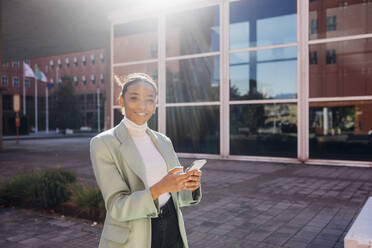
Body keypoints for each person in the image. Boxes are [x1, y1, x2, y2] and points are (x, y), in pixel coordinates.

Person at [90, 73, 202, 248]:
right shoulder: (103, 143)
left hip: (172, 225)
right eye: (134, 98)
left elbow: (177, 197)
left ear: (155, 105)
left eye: (149, 100)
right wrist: (160, 188)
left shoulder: (164, 141)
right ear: (121, 101)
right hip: (135, 235)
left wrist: (189, 185)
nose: (143, 105)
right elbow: (117, 207)